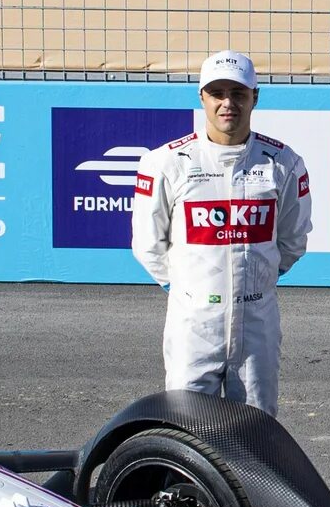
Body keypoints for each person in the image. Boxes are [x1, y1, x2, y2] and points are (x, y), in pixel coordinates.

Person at [130, 50, 312, 411]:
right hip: (193, 324)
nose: (228, 103)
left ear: (255, 97)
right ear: (202, 97)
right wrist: (191, 288)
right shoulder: (166, 162)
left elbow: (292, 240)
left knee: (257, 431)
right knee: (188, 430)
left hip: (257, 322)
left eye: (238, 93)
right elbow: (149, 244)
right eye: (217, 93)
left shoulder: (283, 162)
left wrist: (255, 282)